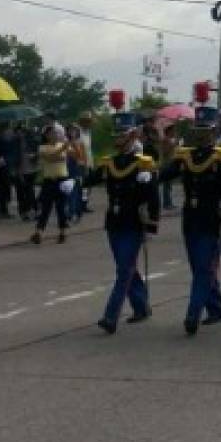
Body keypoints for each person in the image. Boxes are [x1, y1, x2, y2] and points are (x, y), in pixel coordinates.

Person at [158, 82, 221, 335]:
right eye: (199, 129)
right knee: (199, 267)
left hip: (211, 220)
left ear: (214, 132)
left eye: (207, 130)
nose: (202, 134)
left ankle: (193, 314)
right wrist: (147, 173)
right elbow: (166, 173)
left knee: (204, 268)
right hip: (190, 220)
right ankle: (216, 307)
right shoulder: (186, 156)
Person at [85, 90, 159, 334]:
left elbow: (152, 197)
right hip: (114, 222)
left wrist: (152, 224)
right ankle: (141, 306)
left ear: (132, 135)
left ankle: (110, 315)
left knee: (125, 270)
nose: (118, 138)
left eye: (122, 134)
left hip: (133, 222)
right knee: (124, 268)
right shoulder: (110, 162)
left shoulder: (143, 162)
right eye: (116, 134)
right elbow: (91, 179)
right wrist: (72, 182)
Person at [31, 126, 70, 244]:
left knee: (61, 207)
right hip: (49, 180)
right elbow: (50, 158)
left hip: (62, 179)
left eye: (57, 133)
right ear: (47, 135)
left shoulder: (61, 145)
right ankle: (39, 232)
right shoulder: (42, 147)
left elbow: (61, 158)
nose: (55, 135)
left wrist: (64, 148)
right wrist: (62, 148)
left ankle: (63, 232)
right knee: (46, 208)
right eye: (52, 133)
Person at [159, 124, 179, 210]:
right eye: (173, 130)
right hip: (166, 163)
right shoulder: (165, 140)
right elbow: (165, 151)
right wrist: (173, 145)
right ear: (169, 131)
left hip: (171, 162)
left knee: (169, 184)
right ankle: (167, 203)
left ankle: (169, 202)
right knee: (167, 184)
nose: (174, 132)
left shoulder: (170, 140)